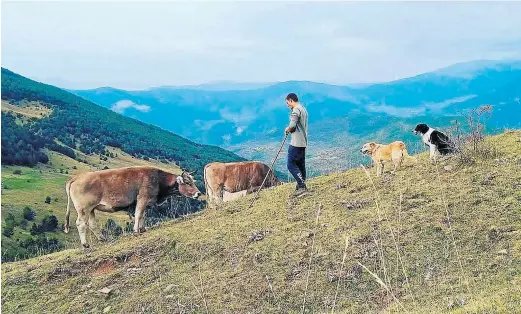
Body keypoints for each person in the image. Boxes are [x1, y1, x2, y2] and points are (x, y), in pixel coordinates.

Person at [284, 93, 309, 197]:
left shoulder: (296, 110)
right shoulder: (303, 108)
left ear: (291, 100)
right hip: (303, 142)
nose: (287, 105)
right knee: (300, 165)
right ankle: (301, 186)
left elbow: (293, 125)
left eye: (287, 103)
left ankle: (301, 186)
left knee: (290, 164)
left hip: (296, 142)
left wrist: (287, 129)